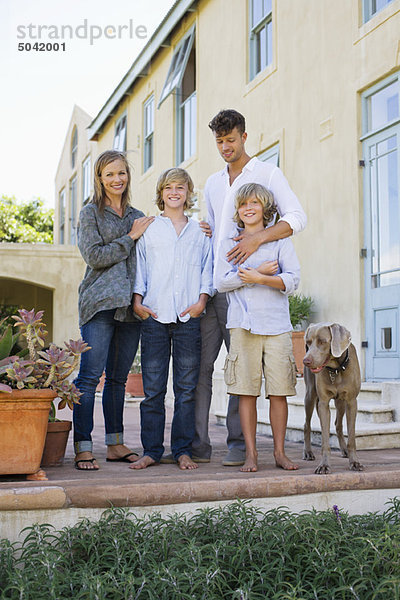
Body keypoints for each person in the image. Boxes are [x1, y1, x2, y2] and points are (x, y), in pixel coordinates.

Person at [193, 109, 307, 467]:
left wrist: (258, 239)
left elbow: (296, 218)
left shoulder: (268, 174)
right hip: (216, 285)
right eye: (219, 141)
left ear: (244, 136)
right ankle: (197, 447)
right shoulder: (213, 183)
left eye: (231, 139)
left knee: (255, 379)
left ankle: (240, 447)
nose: (225, 147)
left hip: (257, 302)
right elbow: (219, 231)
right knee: (216, 371)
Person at [73, 150, 154, 470]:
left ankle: (115, 443)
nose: (116, 179)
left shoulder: (138, 213)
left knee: (118, 379)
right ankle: (82, 446)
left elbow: (145, 260)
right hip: (99, 304)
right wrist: (130, 236)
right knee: (89, 377)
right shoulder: (90, 213)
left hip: (129, 308)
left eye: (121, 173)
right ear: (99, 178)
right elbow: (94, 256)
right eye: (109, 174)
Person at [131, 168, 213, 471]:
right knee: (153, 389)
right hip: (154, 315)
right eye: (168, 188)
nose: (174, 192)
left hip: (188, 317)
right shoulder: (151, 229)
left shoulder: (199, 231)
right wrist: (137, 301)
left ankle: (182, 450)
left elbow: (208, 268)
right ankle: (151, 450)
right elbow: (140, 266)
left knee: (186, 389)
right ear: (161, 193)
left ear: (188, 193)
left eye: (180, 187)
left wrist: (202, 301)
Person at [215, 183, 300, 472]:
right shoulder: (229, 241)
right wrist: (257, 273)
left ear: (265, 207)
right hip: (243, 325)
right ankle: (251, 454)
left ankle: (279, 452)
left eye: (254, 203)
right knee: (246, 391)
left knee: (279, 391)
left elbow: (292, 280)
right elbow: (221, 282)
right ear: (237, 211)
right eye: (242, 205)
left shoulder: (280, 240)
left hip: (277, 325)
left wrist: (260, 278)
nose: (248, 209)